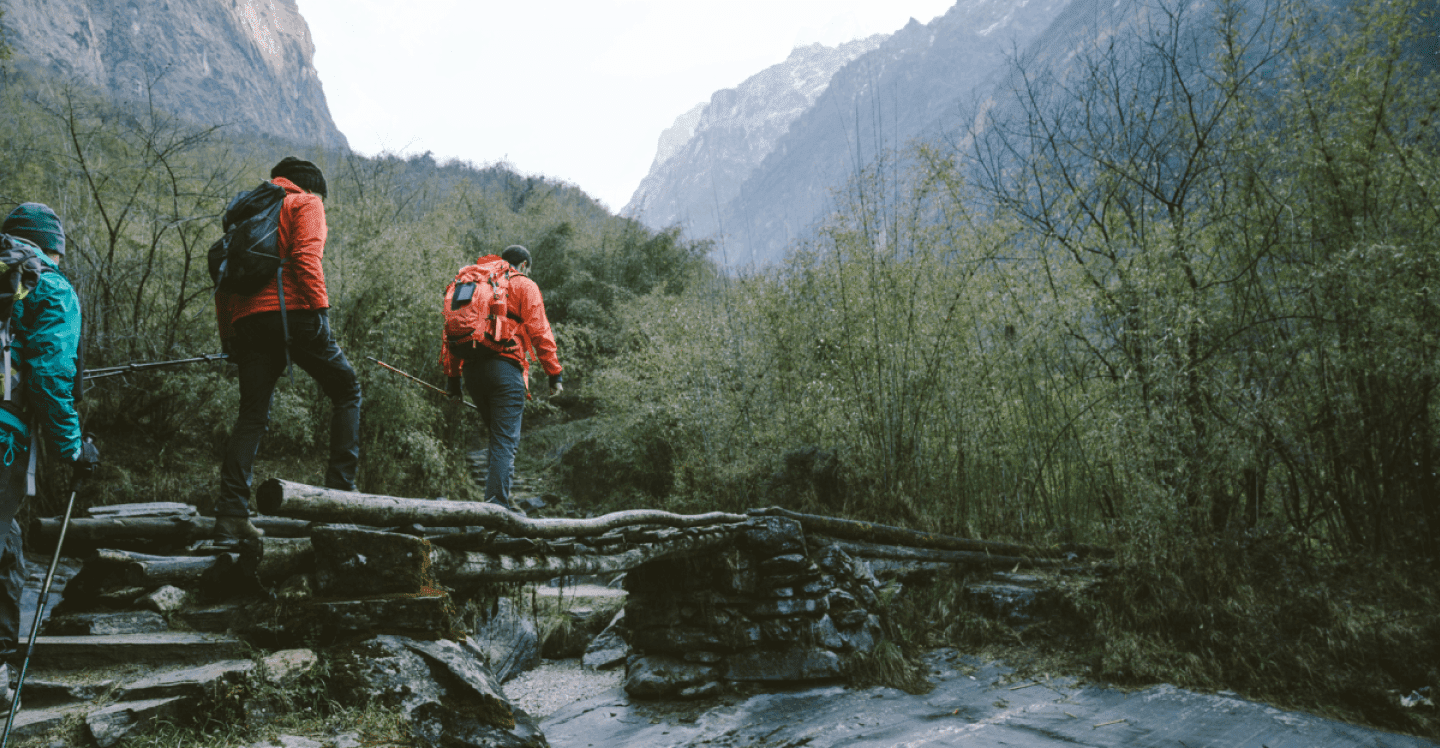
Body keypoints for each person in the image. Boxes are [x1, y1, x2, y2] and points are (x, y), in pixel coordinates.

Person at [214, 157, 361, 541]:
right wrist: (321, 309)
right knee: (347, 390)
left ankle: (231, 514)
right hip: (294, 312)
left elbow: (224, 282)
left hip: (247, 321)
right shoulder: (304, 202)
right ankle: (340, 496)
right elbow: (306, 258)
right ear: (309, 186)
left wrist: (229, 337)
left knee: (251, 415)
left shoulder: (244, 214)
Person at [0, 202, 99, 707]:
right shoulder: (49, 285)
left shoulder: (10, 283)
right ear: (54, 246)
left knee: (10, 544)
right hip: (5, 433)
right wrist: (72, 448)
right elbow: (48, 376)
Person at [442, 245, 562, 513]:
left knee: (498, 440)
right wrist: (554, 374)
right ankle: (497, 510)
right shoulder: (522, 284)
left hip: (472, 373)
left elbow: (451, 333)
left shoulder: (472, 283)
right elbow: (540, 331)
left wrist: (453, 382)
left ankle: (497, 502)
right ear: (523, 265)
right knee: (504, 443)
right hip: (505, 371)